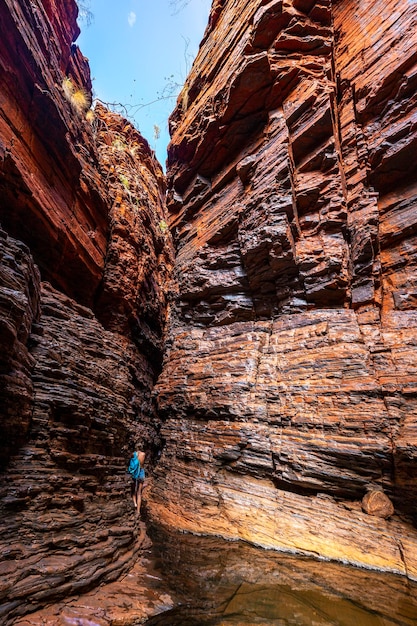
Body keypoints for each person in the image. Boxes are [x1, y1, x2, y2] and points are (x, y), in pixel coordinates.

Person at [128, 449, 146, 514]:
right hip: (141, 473)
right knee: (139, 493)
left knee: (133, 491)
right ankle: (138, 511)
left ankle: (135, 503)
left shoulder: (133, 454)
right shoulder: (143, 454)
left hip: (135, 473)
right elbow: (142, 463)